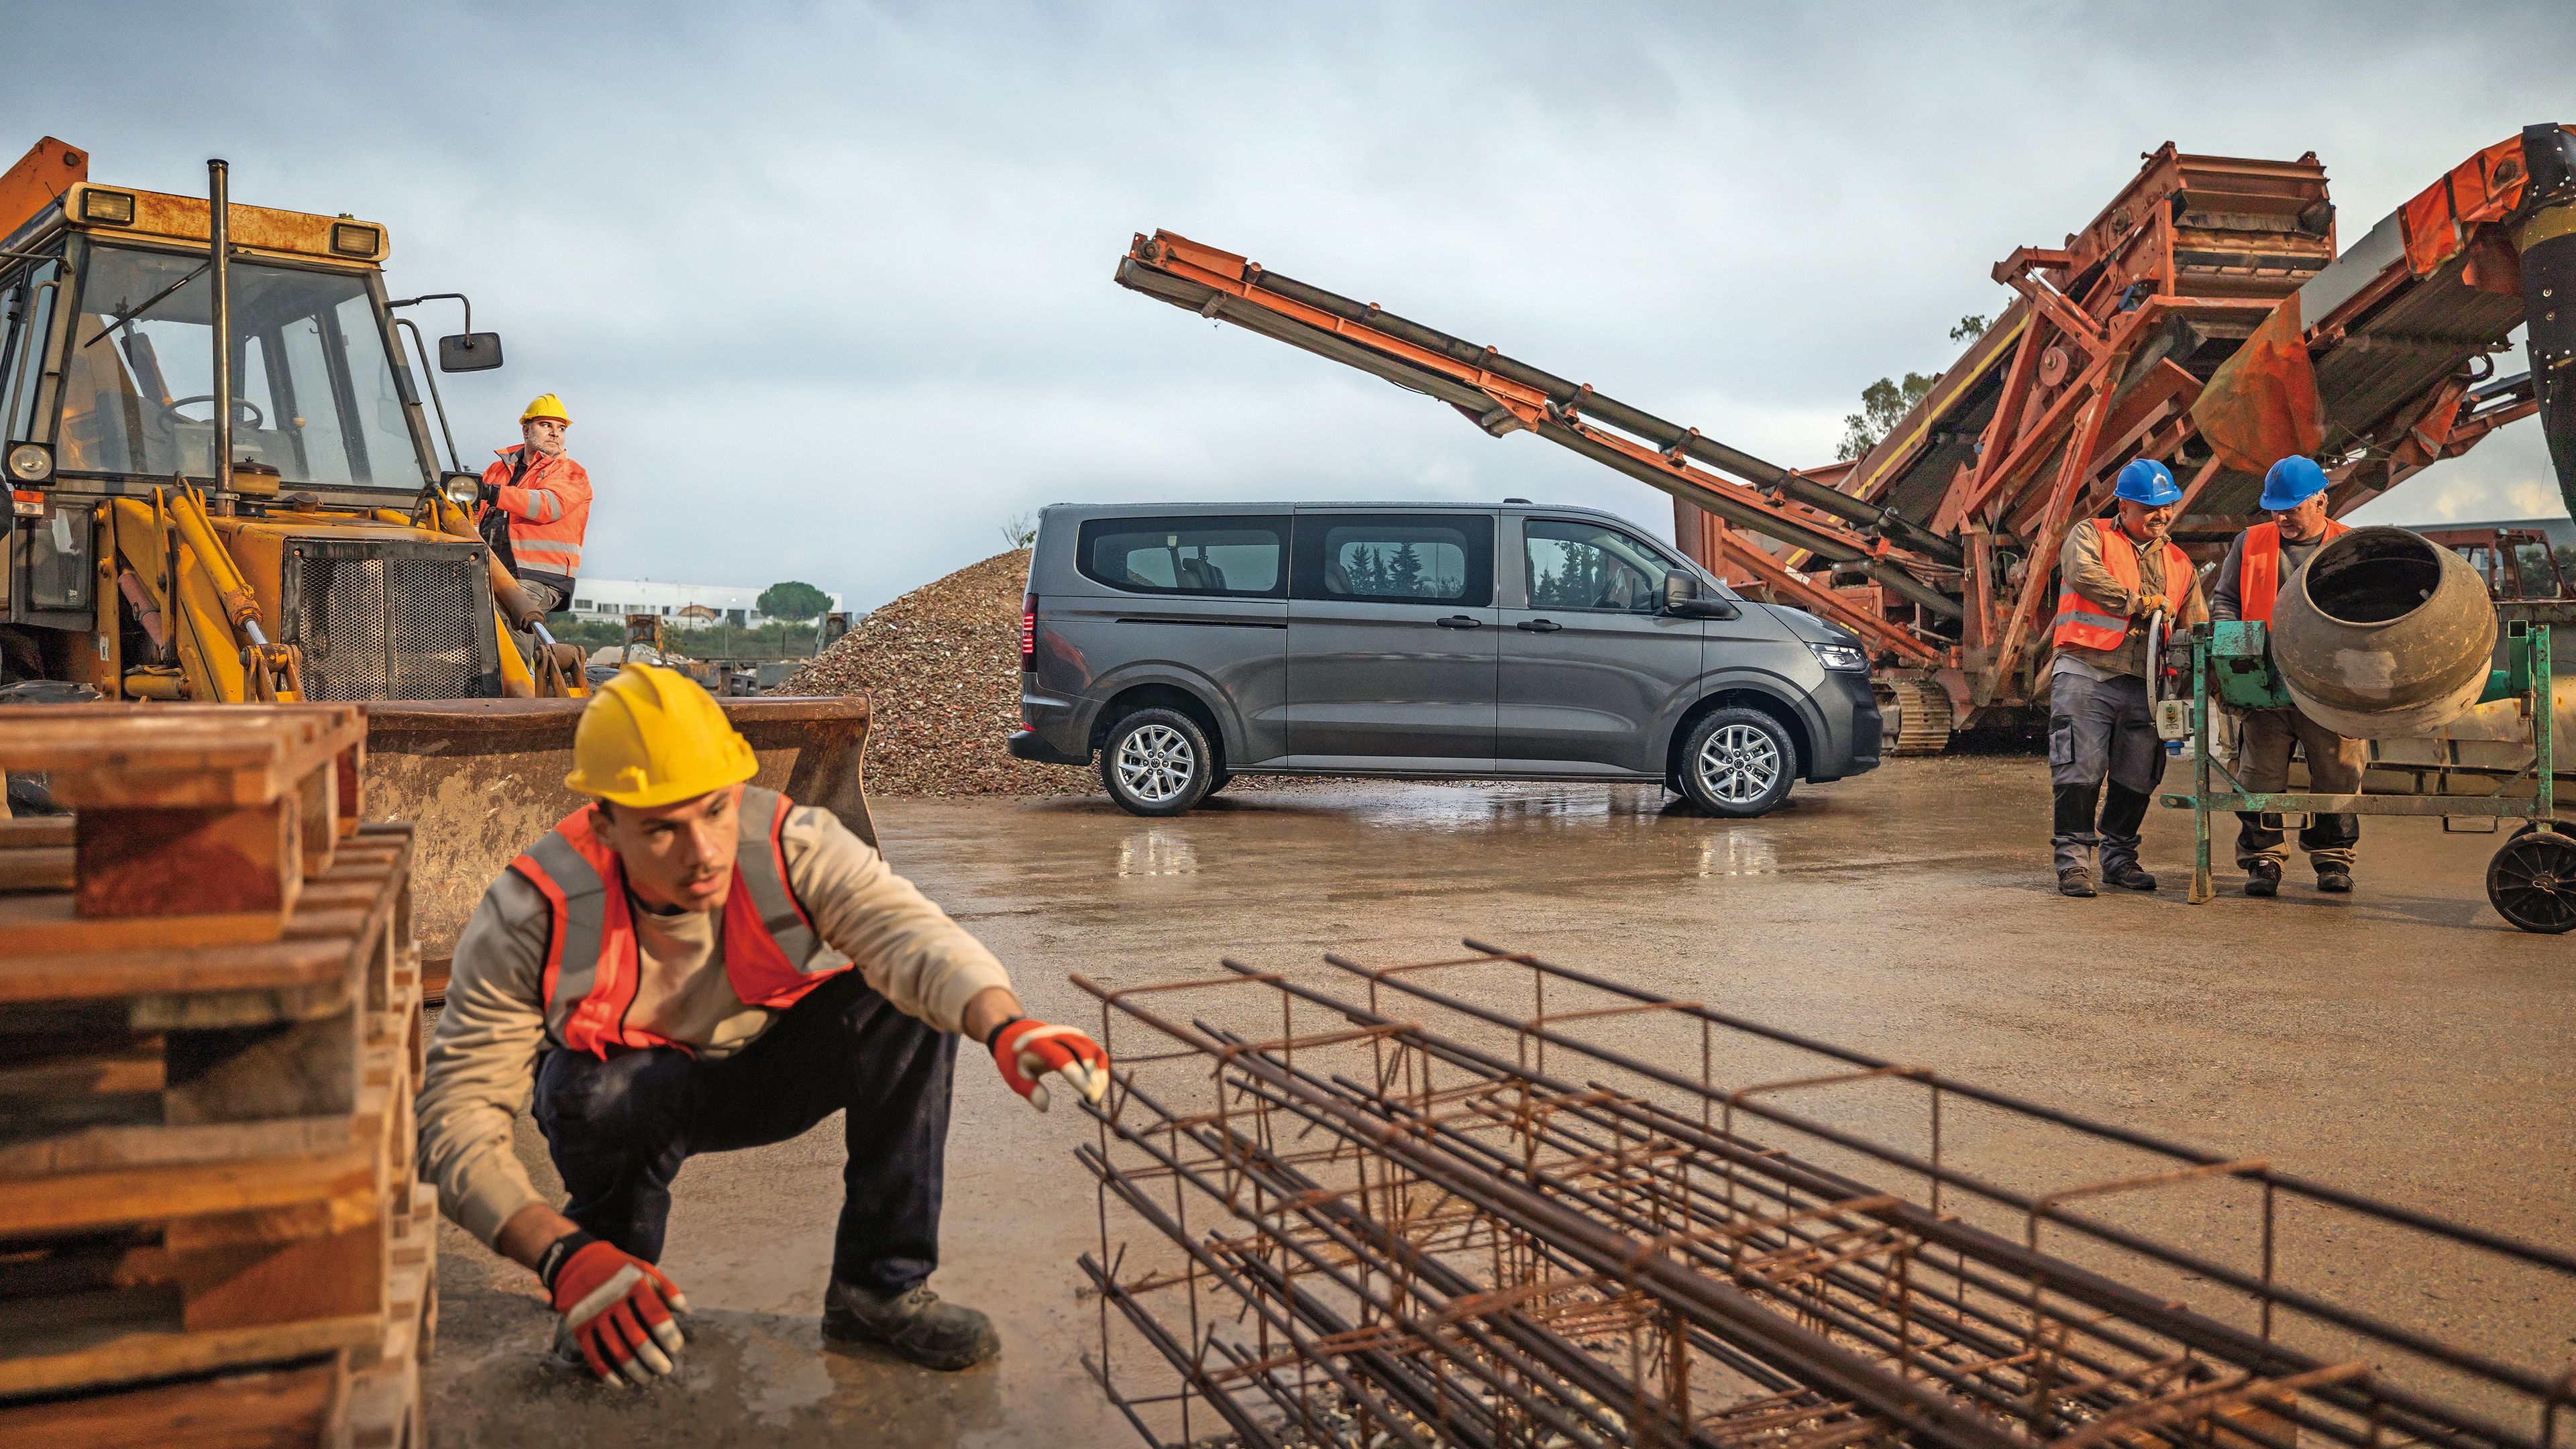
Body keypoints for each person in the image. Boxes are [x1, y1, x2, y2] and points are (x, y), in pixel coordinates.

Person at [415, 664, 1111, 1386]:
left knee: (907, 1004)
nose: (702, 853)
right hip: (631, 1092)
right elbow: (453, 1120)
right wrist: (559, 1255)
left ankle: (879, 1290)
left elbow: (908, 933)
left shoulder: (789, 842)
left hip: (769, 1069)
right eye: (661, 829)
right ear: (604, 824)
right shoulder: (534, 905)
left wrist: (1004, 1025)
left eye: (715, 811)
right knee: (597, 1097)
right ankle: (610, 1286)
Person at [2048, 459, 2208, 897]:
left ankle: (2119, 857)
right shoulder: (2091, 535)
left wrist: (2205, 683)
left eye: (2166, 506)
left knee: (2137, 777)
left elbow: (2196, 627)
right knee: (2078, 769)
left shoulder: (2180, 564)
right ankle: (2074, 863)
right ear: (2123, 503)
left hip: (2146, 684)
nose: (2160, 515)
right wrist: (2137, 603)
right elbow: (2082, 575)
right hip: (2087, 672)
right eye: (2149, 507)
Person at [2208, 456, 2362, 897]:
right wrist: (2235, 662)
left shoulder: (2348, 546)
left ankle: (2333, 860)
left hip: (2327, 689)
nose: (2280, 517)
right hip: (2265, 688)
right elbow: (2226, 601)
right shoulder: (2250, 542)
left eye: (2291, 508)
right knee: (2260, 778)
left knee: (2338, 777)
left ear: (2321, 502)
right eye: (2274, 507)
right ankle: (2264, 859)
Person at [477, 393, 594, 617]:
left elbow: (547, 506)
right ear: (526, 430)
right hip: (490, 571)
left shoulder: (572, 473)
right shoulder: (497, 470)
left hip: (541, 577)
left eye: (561, 428)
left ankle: (518, 655)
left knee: (507, 615)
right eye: (546, 425)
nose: (555, 433)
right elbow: (474, 515)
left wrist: (492, 492)